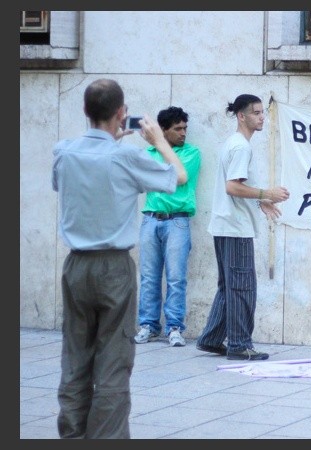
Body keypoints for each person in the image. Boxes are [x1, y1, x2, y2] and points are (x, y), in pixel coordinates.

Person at [51, 78, 187, 438]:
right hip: (113, 266)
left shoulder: (64, 151)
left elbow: (67, 182)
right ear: (121, 113)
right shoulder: (126, 157)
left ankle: (72, 435)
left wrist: (110, 142)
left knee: (75, 358)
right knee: (113, 362)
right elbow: (178, 176)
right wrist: (158, 141)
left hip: (76, 264)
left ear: (85, 111)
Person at [195, 94, 290, 361]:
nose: (262, 117)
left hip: (226, 225)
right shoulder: (241, 147)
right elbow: (233, 187)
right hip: (235, 228)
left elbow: (237, 186)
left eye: (262, 113)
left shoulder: (235, 144)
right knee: (242, 287)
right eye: (256, 113)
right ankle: (239, 344)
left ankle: (211, 339)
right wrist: (267, 193)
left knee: (229, 287)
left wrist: (261, 201)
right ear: (241, 116)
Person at [134, 106, 202, 348]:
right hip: (151, 218)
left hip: (177, 220)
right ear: (163, 130)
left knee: (176, 277)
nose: (183, 133)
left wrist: (162, 155)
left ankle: (174, 327)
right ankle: (148, 326)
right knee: (149, 277)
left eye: (185, 128)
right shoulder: (147, 153)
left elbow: (179, 177)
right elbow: (145, 180)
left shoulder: (192, 153)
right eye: (177, 129)